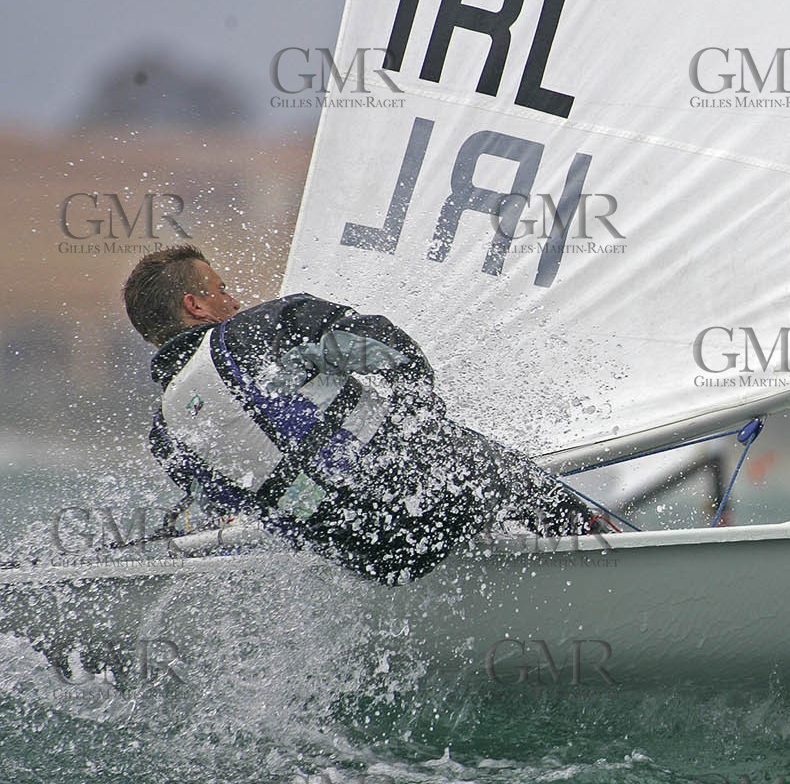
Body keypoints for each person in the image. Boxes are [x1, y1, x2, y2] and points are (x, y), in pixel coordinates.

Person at [122, 246, 600, 583]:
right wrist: (422, 424)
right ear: (196, 305)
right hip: (419, 493)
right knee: (491, 467)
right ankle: (604, 546)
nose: (235, 300)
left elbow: (229, 511)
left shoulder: (168, 435)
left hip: (367, 555)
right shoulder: (257, 331)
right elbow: (386, 346)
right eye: (221, 290)